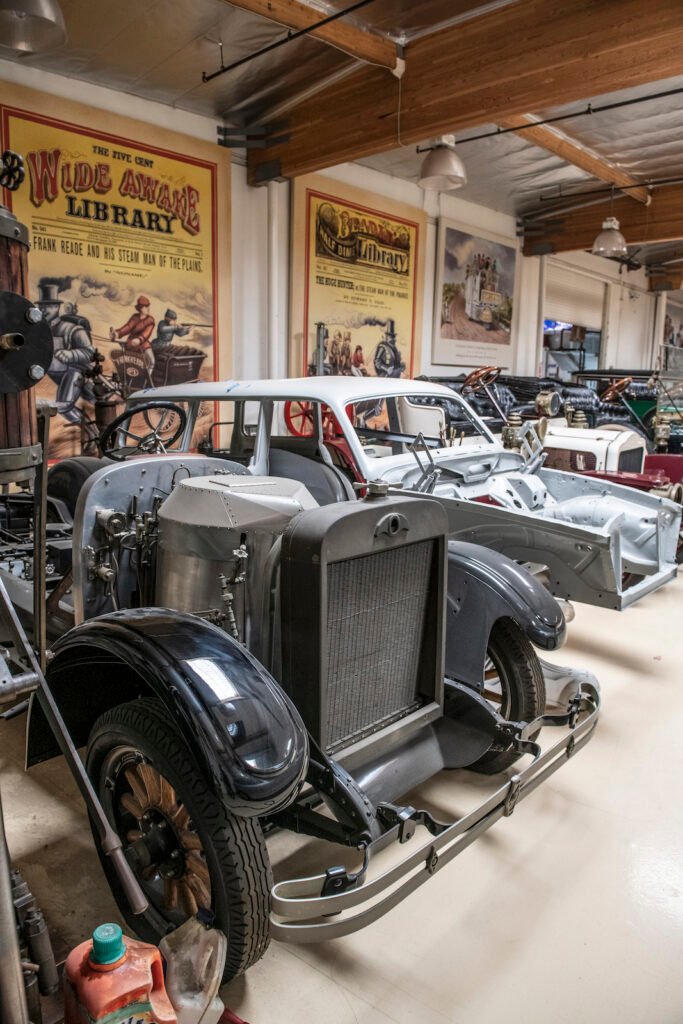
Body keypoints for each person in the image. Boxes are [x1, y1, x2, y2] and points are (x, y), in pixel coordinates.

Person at [36, 280, 96, 426]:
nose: (43, 310)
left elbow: (90, 353)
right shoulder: (40, 332)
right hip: (59, 377)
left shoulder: (72, 330)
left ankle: (95, 436)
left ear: (57, 307)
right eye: (41, 306)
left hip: (76, 375)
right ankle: (94, 437)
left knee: (67, 407)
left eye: (48, 306)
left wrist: (71, 354)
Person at [110, 295, 156, 375]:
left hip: (143, 344)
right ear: (140, 308)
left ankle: (146, 379)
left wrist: (139, 339)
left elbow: (147, 333)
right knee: (126, 362)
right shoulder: (135, 317)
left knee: (151, 361)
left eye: (148, 306)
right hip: (131, 344)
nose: (148, 308)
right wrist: (117, 333)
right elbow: (128, 327)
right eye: (145, 307)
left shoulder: (150, 320)